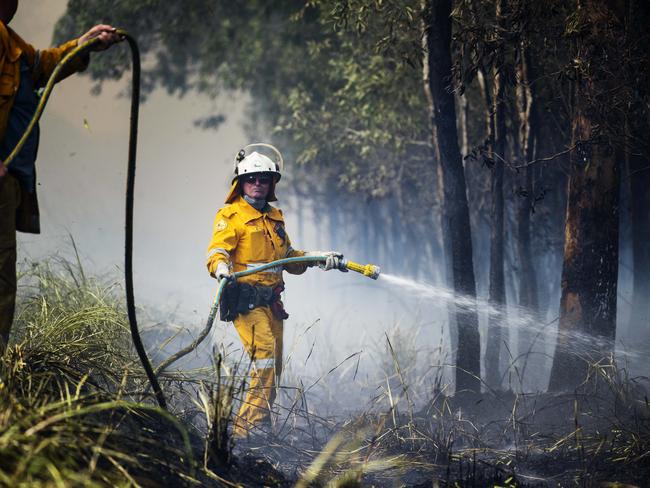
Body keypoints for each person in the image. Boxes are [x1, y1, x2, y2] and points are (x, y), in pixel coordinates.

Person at [0, 0, 123, 352]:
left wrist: (83, 44)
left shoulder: (9, 41)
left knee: (3, 273)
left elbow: (39, 67)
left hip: (8, 183)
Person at [206, 143, 344, 437]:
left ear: (272, 184)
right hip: (246, 303)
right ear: (240, 182)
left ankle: (261, 424)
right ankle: (245, 430)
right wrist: (220, 269)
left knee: (273, 366)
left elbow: (289, 258)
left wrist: (319, 259)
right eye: (251, 178)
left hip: (273, 304)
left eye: (264, 179)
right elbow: (217, 251)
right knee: (265, 356)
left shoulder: (275, 217)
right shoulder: (231, 216)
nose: (258, 184)